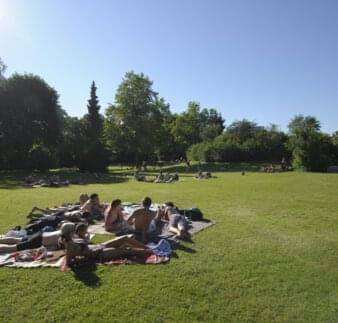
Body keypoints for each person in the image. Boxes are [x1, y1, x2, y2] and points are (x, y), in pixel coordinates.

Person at [0, 222, 74, 254]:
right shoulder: (64, 237)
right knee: (12, 248)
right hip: (37, 241)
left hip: (39, 235)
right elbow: (67, 248)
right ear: (69, 231)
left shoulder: (60, 231)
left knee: (16, 240)